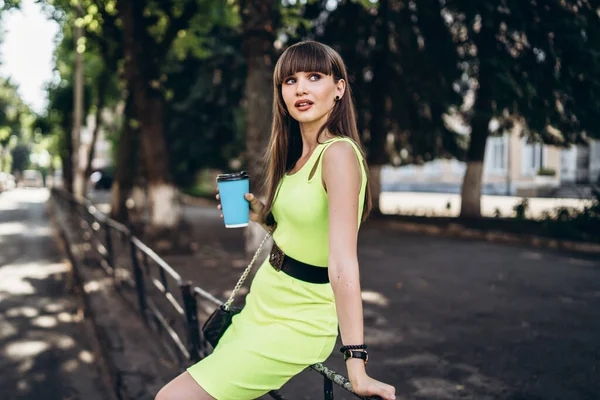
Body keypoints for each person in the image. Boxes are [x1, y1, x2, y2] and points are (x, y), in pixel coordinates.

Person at [156, 41, 396, 400]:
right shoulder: (296, 158)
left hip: (300, 319)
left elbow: (343, 263)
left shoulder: (339, 154)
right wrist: (261, 217)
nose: (300, 88)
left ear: (339, 88)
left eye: (314, 77)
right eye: (290, 80)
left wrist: (356, 364)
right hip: (265, 299)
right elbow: (302, 232)